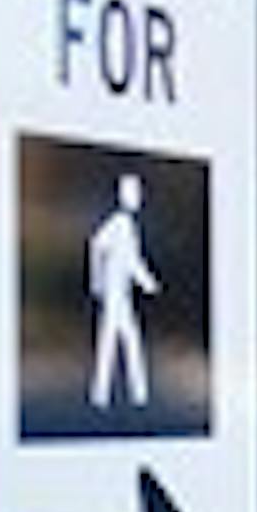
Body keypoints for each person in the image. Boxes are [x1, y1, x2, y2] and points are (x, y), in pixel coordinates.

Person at [88, 172, 159, 408]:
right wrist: (147, 282)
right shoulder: (121, 224)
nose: (138, 198)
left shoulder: (124, 224)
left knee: (118, 340)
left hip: (119, 293)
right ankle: (130, 394)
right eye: (134, 193)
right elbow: (125, 258)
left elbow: (122, 255)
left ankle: (108, 394)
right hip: (116, 293)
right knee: (124, 340)